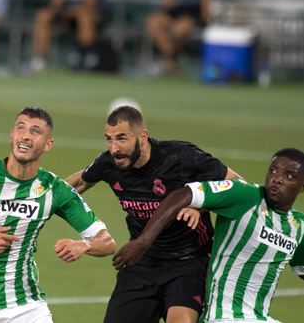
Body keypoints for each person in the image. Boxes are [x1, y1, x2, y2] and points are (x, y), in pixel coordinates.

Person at [0, 106, 117, 322]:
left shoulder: (54, 189)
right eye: (21, 128)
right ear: (11, 135)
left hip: (27, 307)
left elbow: (108, 242)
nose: (26, 135)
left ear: (48, 144)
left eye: (35, 131)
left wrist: (84, 245)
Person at [65, 105, 242, 323]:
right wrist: (43, 198)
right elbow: (80, 182)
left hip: (188, 262)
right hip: (140, 260)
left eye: (122, 138)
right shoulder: (109, 163)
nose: (114, 148)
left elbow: (238, 185)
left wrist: (199, 203)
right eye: (109, 139)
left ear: (143, 136)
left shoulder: (182, 157)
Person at [113, 148, 304, 323]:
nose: (277, 179)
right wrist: (143, 241)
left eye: (289, 175)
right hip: (223, 317)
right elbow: (184, 194)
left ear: (303, 187)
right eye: (273, 170)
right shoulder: (244, 196)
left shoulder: (299, 225)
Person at [30, 0, 106, 72]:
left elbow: (90, 4)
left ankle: (85, 57)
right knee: (43, 14)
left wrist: (68, 11)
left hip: (92, 17)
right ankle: (40, 58)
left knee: (84, 16)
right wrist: (61, 8)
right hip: (68, 16)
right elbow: (55, 3)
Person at [145, 0, 213, 73]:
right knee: (153, 22)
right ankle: (171, 57)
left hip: (192, 11)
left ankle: (172, 61)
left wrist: (206, 15)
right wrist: (168, 8)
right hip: (174, 11)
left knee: (179, 30)